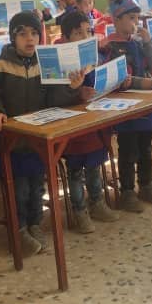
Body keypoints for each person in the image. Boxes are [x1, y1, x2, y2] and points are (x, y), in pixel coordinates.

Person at [0, 11, 85, 254]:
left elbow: (55, 98)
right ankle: (18, 230)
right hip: (12, 144)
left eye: (34, 33)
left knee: (37, 187)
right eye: (23, 34)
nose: (30, 39)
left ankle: (35, 224)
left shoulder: (46, 65)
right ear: (12, 38)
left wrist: (71, 87)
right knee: (18, 190)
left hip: (38, 142)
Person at [102, 0, 152, 212]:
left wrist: (149, 43)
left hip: (144, 105)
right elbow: (117, 79)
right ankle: (127, 192)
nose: (135, 23)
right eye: (131, 18)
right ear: (116, 19)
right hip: (124, 107)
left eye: (137, 18)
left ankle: (147, 186)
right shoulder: (108, 46)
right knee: (128, 151)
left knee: (146, 149)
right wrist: (142, 83)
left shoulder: (139, 42)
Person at [58, 12, 119, 232]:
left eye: (88, 31)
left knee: (94, 166)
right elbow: (55, 96)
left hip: (93, 121)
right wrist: (76, 92)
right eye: (78, 33)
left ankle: (97, 202)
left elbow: (100, 83)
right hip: (72, 125)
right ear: (66, 38)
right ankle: (79, 210)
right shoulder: (59, 62)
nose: (85, 37)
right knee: (75, 171)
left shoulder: (95, 57)